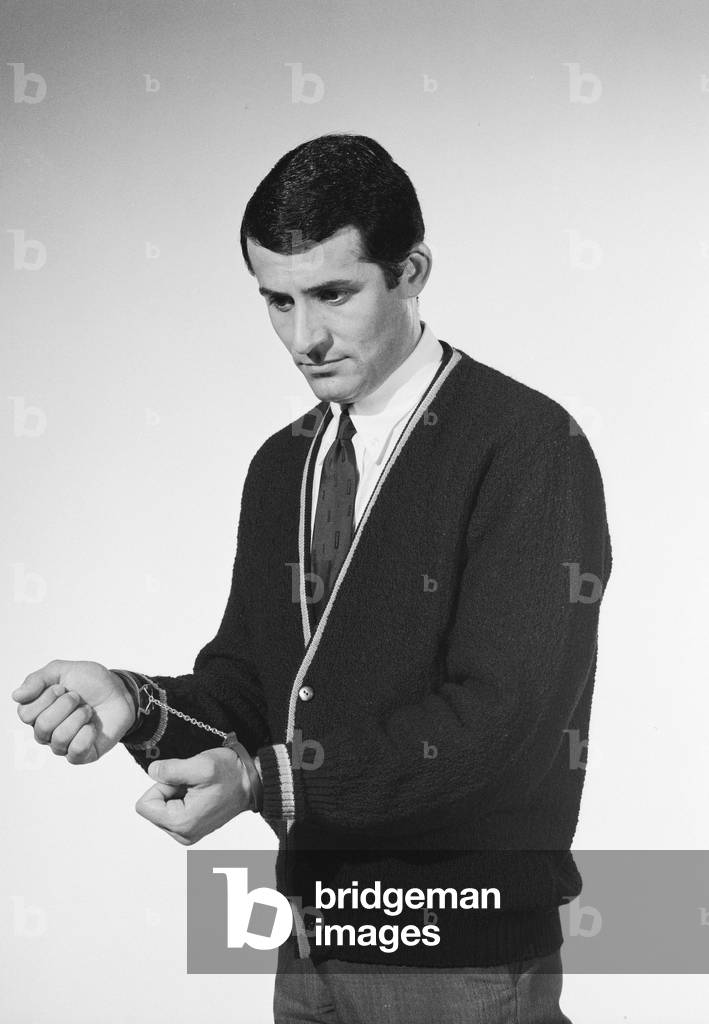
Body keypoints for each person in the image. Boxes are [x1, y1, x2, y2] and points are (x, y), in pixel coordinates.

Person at [12, 133, 612, 1023]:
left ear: (410, 271)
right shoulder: (281, 464)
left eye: (333, 294)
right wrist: (135, 703)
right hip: (309, 944)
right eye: (277, 301)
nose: (305, 337)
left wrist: (263, 783)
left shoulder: (526, 447)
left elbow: (500, 724)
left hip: (463, 954)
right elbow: (256, 689)